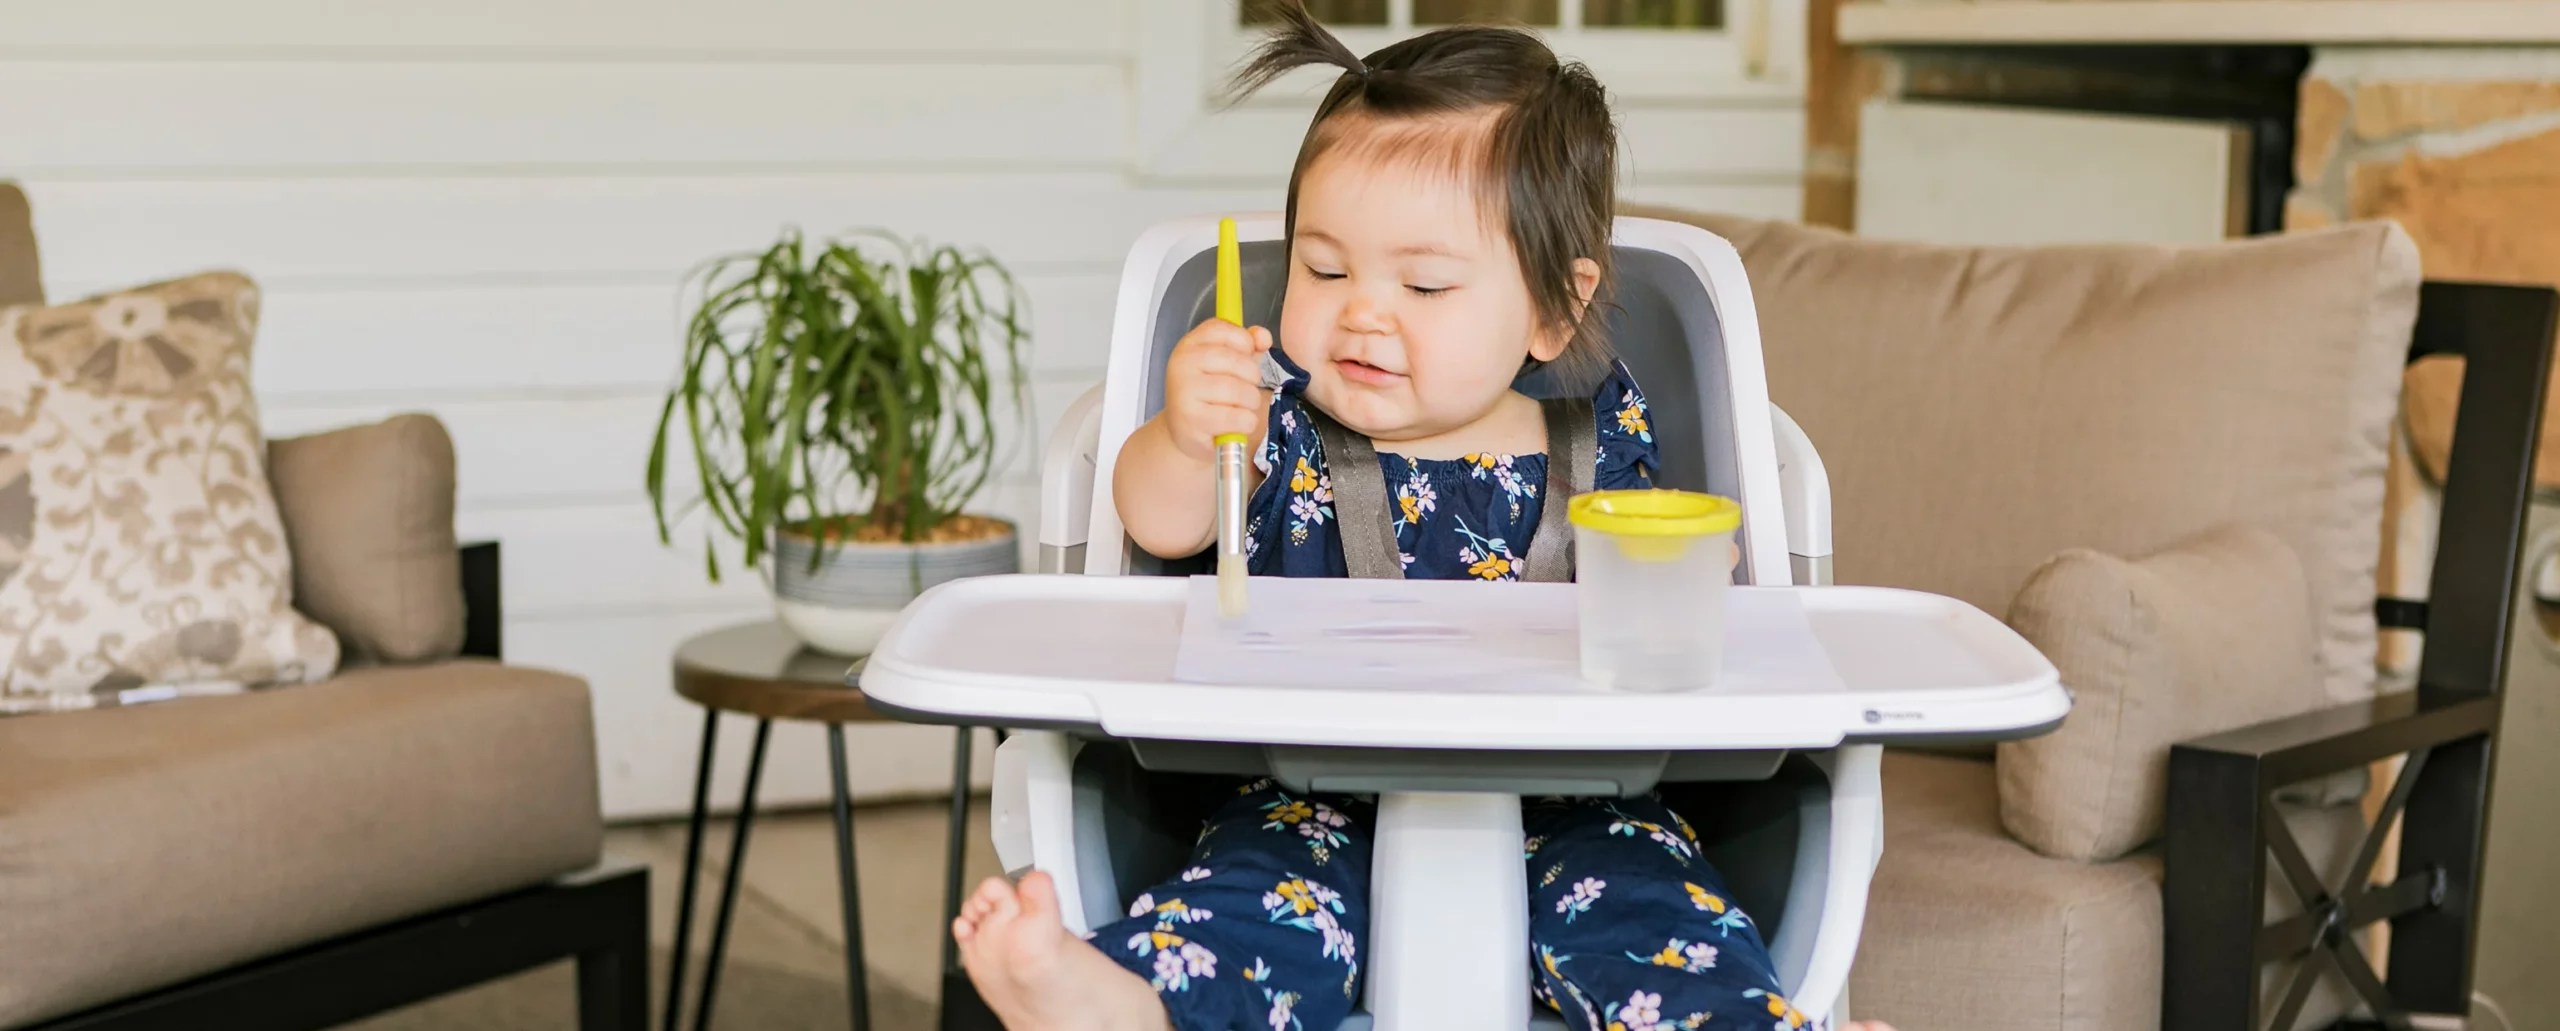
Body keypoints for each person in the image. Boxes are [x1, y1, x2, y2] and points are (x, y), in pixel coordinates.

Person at [952, 5, 1899, 1030]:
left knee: (1654, 915)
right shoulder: (1274, 415)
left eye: (1426, 282)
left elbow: (1682, 595)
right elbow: (1159, 521)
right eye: (1324, 269)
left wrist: (1694, 584)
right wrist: (1188, 435)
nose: (1363, 310)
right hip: (1303, 789)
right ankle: (1115, 1003)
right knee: (1256, 905)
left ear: (1554, 308)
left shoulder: (1601, 432)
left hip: (1582, 795)